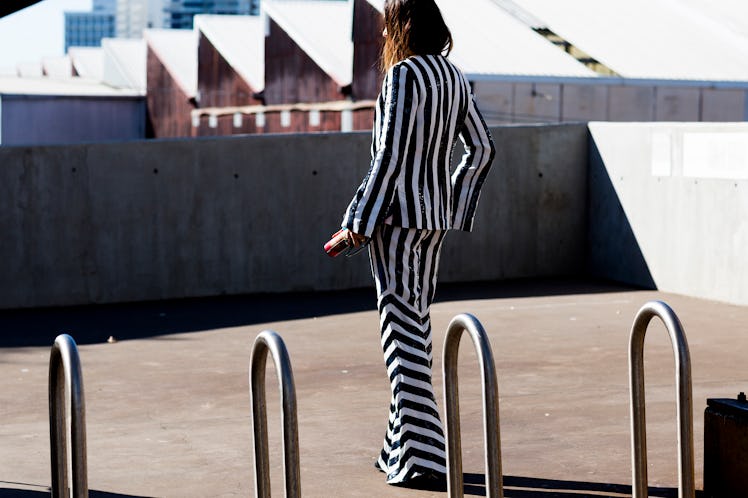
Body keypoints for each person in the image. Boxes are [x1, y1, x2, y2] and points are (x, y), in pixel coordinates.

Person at [337, 0, 496, 488]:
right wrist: (451, 203)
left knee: (400, 330)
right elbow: (483, 149)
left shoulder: (403, 77)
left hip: (395, 223)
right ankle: (397, 450)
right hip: (432, 223)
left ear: (399, 27)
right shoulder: (454, 78)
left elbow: (388, 159)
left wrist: (358, 223)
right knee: (416, 324)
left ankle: (425, 458)